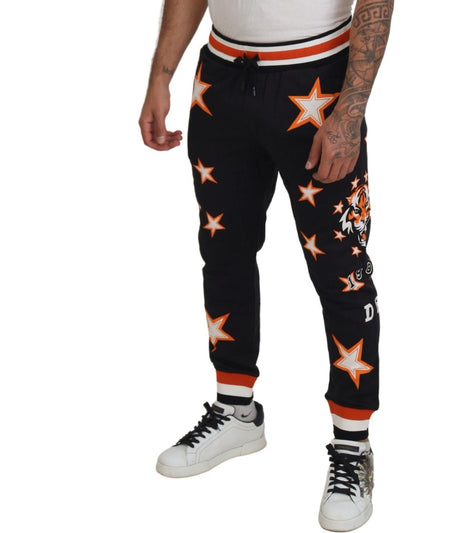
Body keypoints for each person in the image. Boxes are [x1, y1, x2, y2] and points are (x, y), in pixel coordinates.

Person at [139, 1, 393, 530]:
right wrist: (161, 75)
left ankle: (353, 445)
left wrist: (349, 113)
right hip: (222, 79)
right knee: (223, 254)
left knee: (342, 271)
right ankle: (236, 411)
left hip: (316, 82)